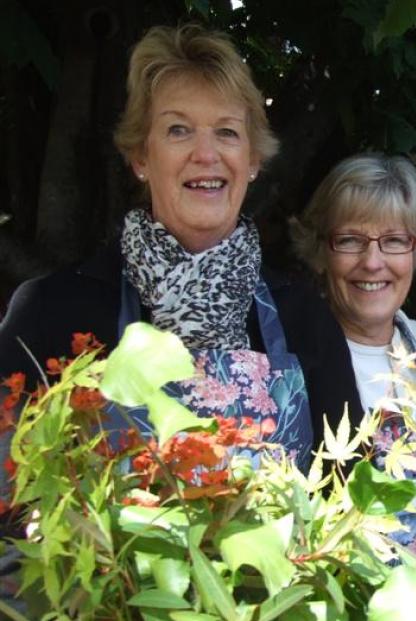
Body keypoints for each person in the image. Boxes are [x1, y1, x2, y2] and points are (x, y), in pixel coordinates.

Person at [0, 24, 361, 473]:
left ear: (252, 161)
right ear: (141, 158)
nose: (206, 153)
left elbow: (347, 499)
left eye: (227, 132)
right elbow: (11, 500)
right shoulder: (52, 310)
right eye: (178, 130)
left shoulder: (303, 317)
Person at [291, 154, 416, 554]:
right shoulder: (293, 356)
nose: (373, 262)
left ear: (415, 251)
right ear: (322, 251)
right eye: (350, 240)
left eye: (394, 241)